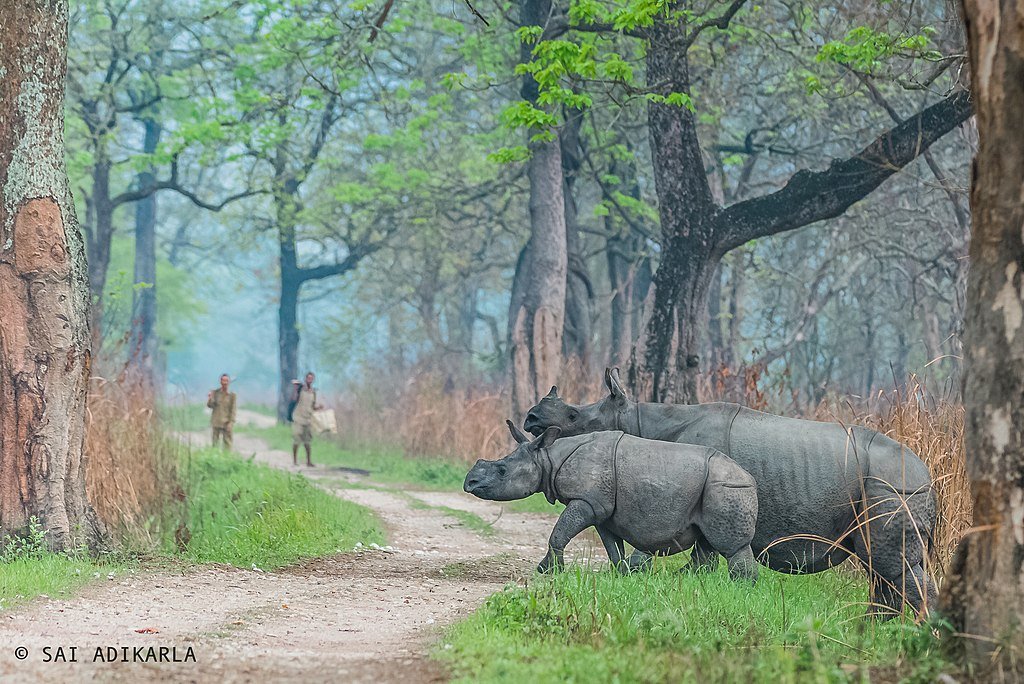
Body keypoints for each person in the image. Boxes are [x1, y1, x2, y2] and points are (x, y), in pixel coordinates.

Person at [291, 371, 322, 467]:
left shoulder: (313, 392)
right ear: (305, 379)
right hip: (298, 417)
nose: (310, 380)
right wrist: (295, 389)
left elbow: (313, 406)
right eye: (308, 378)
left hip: (308, 419)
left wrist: (319, 407)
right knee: (297, 439)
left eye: (311, 378)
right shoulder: (300, 389)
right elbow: (293, 400)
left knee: (307, 442)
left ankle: (308, 461)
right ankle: (295, 460)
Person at [207, 374, 237, 449]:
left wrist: (231, 422)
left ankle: (227, 458)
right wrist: (210, 398)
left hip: (227, 422)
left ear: (229, 382)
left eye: (226, 381)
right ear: (220, 382)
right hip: (216, 421)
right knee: (215, 443)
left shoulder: (232, 395)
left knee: (227, 444)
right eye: (223, 380)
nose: (225, 382)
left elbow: (233, 410)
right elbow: (210, 405)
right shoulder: (216, 393)